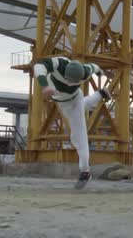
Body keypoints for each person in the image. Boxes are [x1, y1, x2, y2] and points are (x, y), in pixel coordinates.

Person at [34, 56, 111, 189]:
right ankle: (100, 94)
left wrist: (100, 72)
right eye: (69, 79)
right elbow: (38, 66)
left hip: (73, 100)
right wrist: (44, 85)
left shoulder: (85, 72)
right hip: (64, 101)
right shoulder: (59, 63)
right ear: (65, 73)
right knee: (83, 106)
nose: (70, 82)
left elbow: (94, 66)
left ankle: (85, 171)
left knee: (79, 137)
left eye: (74, 81)